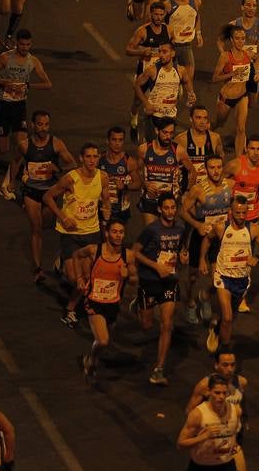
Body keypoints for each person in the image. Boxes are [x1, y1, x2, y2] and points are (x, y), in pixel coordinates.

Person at [43, 143, 111, 327]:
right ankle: (62, 261)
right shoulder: (70, 179)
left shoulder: (103, 177)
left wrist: (107, 211)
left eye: (95, 157)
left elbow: (106, 200)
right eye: (88, 156)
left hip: (92, 233)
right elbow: (48, 197)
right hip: (71, 234)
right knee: (74, 279)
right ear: (81, 158)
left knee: (86, 279)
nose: (91, 160)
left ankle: (70, 310)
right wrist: (63, 217)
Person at [185, 346, 248, 471]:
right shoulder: (205, 385)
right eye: (225, 365)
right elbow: (189, 409)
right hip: (210, 441)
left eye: (232, 364)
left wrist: (244, 421)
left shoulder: (241, 382)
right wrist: (200, 433)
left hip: (232, 438)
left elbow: (242, 404)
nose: (229, 369)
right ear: (216, 365)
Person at [0, 28, 52, 200]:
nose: (25, 48)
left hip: (19, 105)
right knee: (2, 149)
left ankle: (7, 185)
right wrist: (3, 82)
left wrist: (28, 86)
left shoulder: (33, 61)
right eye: (22, 44)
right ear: (16, 43)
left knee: (21, 146)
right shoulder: (6, 58)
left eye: (28, 45)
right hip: (3, 104)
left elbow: (47, 84)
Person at [201, 195, 259, 348]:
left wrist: (257, 257)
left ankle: (215, 327)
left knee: (230, 317)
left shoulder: (253, 229)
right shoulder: (221, 227)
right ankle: (224, 352)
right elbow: (207, 239)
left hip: (242, 279)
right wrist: (202, 260)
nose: (241, 216)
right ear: (230, 212)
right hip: (223, 277)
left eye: (243, 213)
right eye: (237, 213)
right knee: (228, 318)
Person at [133, 193, 189, 385]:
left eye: (173, 207)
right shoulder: (151, 230)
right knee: (147, 325)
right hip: (149, 281)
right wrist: (156, 266)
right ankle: (138, 305)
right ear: (159, 209)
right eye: (166, 208)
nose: (171, 211)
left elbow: (181, 249)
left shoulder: (181, 228)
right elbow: (135, 252)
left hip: (169, 282)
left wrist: (183, 257)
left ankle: (159, 368)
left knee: (166, 324)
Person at [73, 217, 137, 380]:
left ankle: (94, 357)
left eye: (121, 232)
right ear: (107, 233)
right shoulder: (95, 250)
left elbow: (135, 279)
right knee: (103, 340)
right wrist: (79, 278)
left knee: (106, 339)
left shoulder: (128, 255)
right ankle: (91, 359)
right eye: (114, 232)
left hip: (113, 304)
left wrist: (128, 275)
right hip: (94, 301)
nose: (118, 235)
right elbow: (76, 255)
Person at [19, 110, 76, 283]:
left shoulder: (56, 144)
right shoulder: (25, 145)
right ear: (32, 125)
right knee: (36, 228)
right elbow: (16, 161)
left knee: (47, 225)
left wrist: (57, 169)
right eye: (40, 124)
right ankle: (37, 268)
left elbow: (73, 164)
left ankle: (60, 259)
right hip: (31, 192)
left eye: (46, 125)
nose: (43, 128)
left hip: (50, 194)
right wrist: (10, 183)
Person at [179, 153, 231, 325]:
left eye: (218, 167)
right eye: (212, 168)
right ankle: (190, 303)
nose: (216, 171)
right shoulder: (198, 189)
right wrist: (197, 224)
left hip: (220, 239)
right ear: (206, 169)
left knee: (220, 277)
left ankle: (205, 295)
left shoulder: (229, 186)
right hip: (200, 237)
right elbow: (183, 211)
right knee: (193, 277)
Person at [223, 134, 259, 312]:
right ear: (246, 149)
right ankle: (224, 287)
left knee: (247, 257)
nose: (256, 153)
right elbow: (221, 181)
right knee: (229, 253)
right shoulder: (235, 164)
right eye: (252, 149)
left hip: (252, 216)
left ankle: (242, 297)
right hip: (234, 217)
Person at [126, 1, 174, 141]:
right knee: (137, 101)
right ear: (150, 14)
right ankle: (134, 121)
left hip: (162, 73)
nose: (159, 17)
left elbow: (173, 48)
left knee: (159, 101)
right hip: (145, 71)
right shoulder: (142, 31)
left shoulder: (169, 30)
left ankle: (157, 133)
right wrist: (141, 51)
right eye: (156, 15)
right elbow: (128, 49)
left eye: (161, 14)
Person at [223, 0, 259, 109]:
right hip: (237, 66)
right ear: (242, 7)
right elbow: (219, 41)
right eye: (248, 5)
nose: (251, 8)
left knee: (252, 103)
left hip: (254, 68)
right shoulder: (233, 25)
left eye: (254, 6)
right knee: (232, 100)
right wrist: (225, 56)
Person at [137, 118, 195, 225]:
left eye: (171, 133)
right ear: (157, 131)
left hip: (170, 203)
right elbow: (138, 170)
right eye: (165, 132)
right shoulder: (144, 149)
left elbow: (192, 171)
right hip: (149, 200)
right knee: (152, 234)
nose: (168, 136)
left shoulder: (179, 151)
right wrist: (145, 183)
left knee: (166, 234)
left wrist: (187, 192)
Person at [133, 41, 196, 140]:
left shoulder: (180, 70)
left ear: (173, 53)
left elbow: (187, 81)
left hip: (170, 116)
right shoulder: (152, 70)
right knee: (152, 147)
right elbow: (137, 84)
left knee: (167, 146)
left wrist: (191, 93)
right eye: (160, 52)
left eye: (164, 52)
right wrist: (146, 104)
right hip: (154, 116)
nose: (161, 55)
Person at [212, 24, 257, 156]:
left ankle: (239, 161)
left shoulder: (248, 54)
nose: (240, 41)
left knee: (241, 129)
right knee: (219, 124)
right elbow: (214, 78)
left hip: (242, 97)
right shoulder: (225, 56)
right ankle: (203, 133)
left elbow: (257, 59)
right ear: (231, 40)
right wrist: (230, 75)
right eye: (237, 38)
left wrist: (257, 72)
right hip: (226, 98)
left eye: (243, 38)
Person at [164, 0, 203, 83]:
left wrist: (199, 34)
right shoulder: (168, 4)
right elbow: (161, 25)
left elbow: (197, 16)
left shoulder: (196, 2)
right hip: (172, 47)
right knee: (171, 80)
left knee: (188, 79)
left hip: (187, 47)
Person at [98, 126, 140, 223]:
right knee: (104, 237)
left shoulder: (130, 162)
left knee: (118, 237)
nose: (117, 143)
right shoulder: (99, 160)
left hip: (121, 209)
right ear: (107, 141)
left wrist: (125, 186)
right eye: (114, 140)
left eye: (120, 140)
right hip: (102, 207)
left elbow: (138, 183)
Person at [175, 105, 223, 184]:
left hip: (208, 187)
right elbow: (174, 165)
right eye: (198, 118)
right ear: (191, 119)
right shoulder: (181, 139)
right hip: (188, 186)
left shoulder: (215, 138)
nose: (202, 121)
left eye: (205, 118)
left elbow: (221, 160)